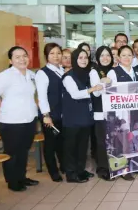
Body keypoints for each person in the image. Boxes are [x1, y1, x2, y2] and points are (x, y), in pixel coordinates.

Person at [0, 46, 39, 191]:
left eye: (24, 55)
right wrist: (2, 109)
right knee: (12, 152)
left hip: (29, 119)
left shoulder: (31, 74)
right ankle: (12, 182)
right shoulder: (5, 76)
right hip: (11, 122)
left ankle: (21, 177)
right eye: (17, 57)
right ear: (10, 60)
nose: (22, 59)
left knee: (23, 150)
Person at [62, 48, 102, 183]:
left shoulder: (88, 74)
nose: (84, 60)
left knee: (82, 146)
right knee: (71, 146)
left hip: (85, 116)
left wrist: (99, 85)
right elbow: (75, 94)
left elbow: (97, 93)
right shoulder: (68, 76)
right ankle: (71, 174)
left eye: (85, 57)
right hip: (72, 117)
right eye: (80, 58)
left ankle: (80, 170)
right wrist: (92, 89)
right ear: (74, 59)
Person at [107, 45, 138, 181]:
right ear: (118, 57)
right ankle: (121, 170)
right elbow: (110, 92)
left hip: (133, 112)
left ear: (133, 57)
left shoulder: (137, 72)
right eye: (124, 55)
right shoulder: (113, 73)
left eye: (129, 55)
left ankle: (128, 167)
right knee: (119, 143)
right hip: (119, 114)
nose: (127, 58)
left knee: (129, 142)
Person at [35, 43, 66, 182]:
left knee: (61, 143)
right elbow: (41, 96)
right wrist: (46, 116)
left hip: (63, 113)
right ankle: (53, 172)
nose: (56, 56)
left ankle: (63, 166)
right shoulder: (42, 73)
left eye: (58, 53)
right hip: (50, 115)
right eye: (52, 53)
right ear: (46, 56)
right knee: (50, 145)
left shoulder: (62, 70)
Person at [89, 46, 114, 181]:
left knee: (113, 141)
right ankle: (103, 169)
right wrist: (103, 84)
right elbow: (97, 92)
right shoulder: (94, 72)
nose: (105, 58)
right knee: (102, 142)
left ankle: (113, 167)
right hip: (100, 113)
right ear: (97, 58)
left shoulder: (113, 71)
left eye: (108, 55)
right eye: (102, 56)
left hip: (113, 112)